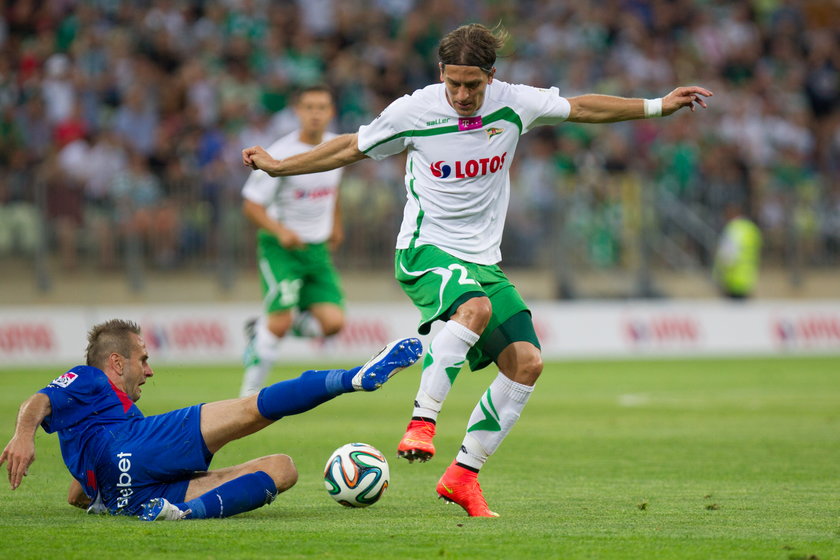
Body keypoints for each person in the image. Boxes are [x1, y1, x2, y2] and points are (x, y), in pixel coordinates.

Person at [242, 23, 713, 517]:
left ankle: (463, 475)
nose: (463, 95)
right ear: (441, 74)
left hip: (482, 259)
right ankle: (423, 422)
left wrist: (659, 105)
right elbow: (350, 147)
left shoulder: (515, 102)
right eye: (454, 84)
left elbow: (582, 107)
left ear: (492, 75)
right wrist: (280, 166)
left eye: (474, 84)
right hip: (424, 250)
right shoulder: (415, 110)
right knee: (475, 308)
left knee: (526, 363)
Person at [0, 319, 422, 521]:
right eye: (142, 359)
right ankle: (353, 378)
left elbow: (78, 492)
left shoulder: (106, 415)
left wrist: (94, 492)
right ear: (116, 362)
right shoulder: (91, 378)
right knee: (249, 409)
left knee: (282, 468)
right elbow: (39, 401)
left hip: (129, 495)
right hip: (132, 450)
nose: (149, 370)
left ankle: (182, 514)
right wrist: (23, 434)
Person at [240, 85, 347, 397]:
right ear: (298, 112)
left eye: (322, 107)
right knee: (279, 323)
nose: (315, 114)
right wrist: (280, 231)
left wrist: (336, 224)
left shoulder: (335, 147)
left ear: (331, 112)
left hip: (317, 250)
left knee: (333, 324)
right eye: (309, 107)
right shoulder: (281, 153)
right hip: (282, 249)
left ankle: (261, 328)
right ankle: (249, 395)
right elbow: (251, 204)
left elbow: (332, 189)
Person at [713, 203, 762, 299]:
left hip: (732, 279)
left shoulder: (733, 229)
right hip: (748, 278)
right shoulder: (751, 228)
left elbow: (727, 256)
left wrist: (719, 275)